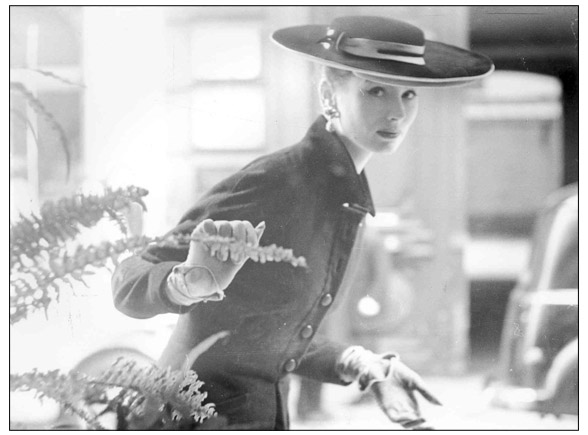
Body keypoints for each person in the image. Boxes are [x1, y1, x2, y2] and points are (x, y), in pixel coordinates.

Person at [112, 15, 493, 430]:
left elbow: (277, 335)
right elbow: (128, 281)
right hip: (187, 417)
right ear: (329, 93)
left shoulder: (345, 198)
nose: (397, 112)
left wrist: (360, 363)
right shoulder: (274, 182)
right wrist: (187, 281)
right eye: (376, 91)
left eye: (408, 94)